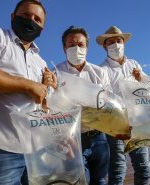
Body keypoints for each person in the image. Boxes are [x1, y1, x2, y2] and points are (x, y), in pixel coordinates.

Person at [0, 1, 56, 184]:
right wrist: (29, 85)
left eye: (37, 19)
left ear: (42, 28)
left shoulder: (40, 61)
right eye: (26, 15)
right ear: (13, 17)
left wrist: (49, 90)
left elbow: (43, 105)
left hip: (37, 149)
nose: (31, 21)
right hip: (2, 149)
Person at [52, 26, 110, 185]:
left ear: (87, 48)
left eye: (80, 44)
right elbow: (50, 110)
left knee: (100, 180)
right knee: (79, 181)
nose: (75, 48)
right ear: (64, 48)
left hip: (100, 138)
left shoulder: (99, 73)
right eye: (71, 45)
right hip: (72, 139)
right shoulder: (55, 74)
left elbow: (107, 103)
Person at [96, 26, 150, 185]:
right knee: (118, 170)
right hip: (115, 127)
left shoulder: (134, 64)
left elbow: (147, 92)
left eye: (118, 41)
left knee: (143, 167)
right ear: (104, 46)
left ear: (124, 43)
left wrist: (142, 79)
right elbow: (105, 102)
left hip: (137, 122)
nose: (115, 44)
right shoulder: (101, 70)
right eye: (111, 42)